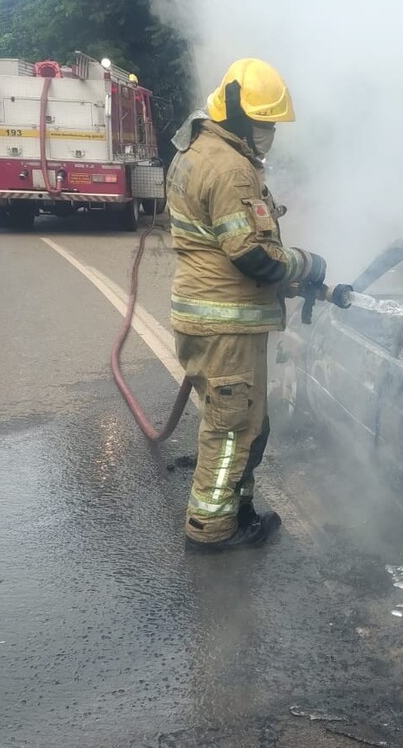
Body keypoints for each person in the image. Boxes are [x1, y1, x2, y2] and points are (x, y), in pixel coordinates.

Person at [165, 57, 327, 553]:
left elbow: (223, 249)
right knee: (233, 427)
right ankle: (212, 528)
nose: (269, 133)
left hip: (212, 314)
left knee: (246, 421)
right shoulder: (232, 170)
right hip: (226, 325)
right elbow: (251, 253)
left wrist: (284, 283)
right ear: (238, 116)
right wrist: (306, 266)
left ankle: (240, 510)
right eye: (264, 123)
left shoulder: (198, 148)